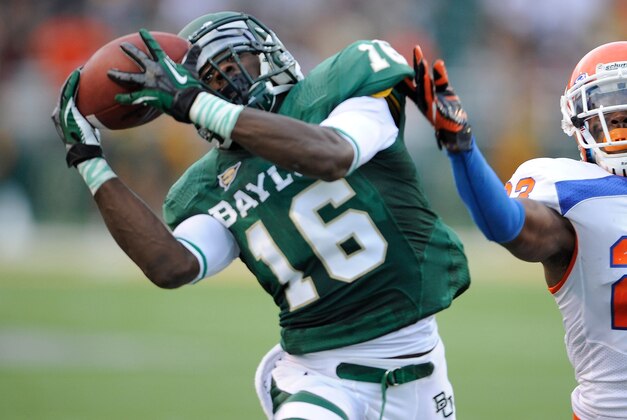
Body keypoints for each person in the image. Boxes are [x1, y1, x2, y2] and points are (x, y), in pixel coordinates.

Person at [51, 12, 470, 420]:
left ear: (268, 51)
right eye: (211, 80)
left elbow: (332, 155)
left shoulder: (341, 83)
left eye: (233, 64)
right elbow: (171, 265)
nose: (227, 84)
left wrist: (197, 101)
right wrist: (88, 159)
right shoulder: (206, 186)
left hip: (421, 365)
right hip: (319, 375)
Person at [405, 42, 627, 419]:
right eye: (613, 119)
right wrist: (464, 149)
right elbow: (505, 224)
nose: (620, 129)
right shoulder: (574, 195)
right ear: (579, 124)